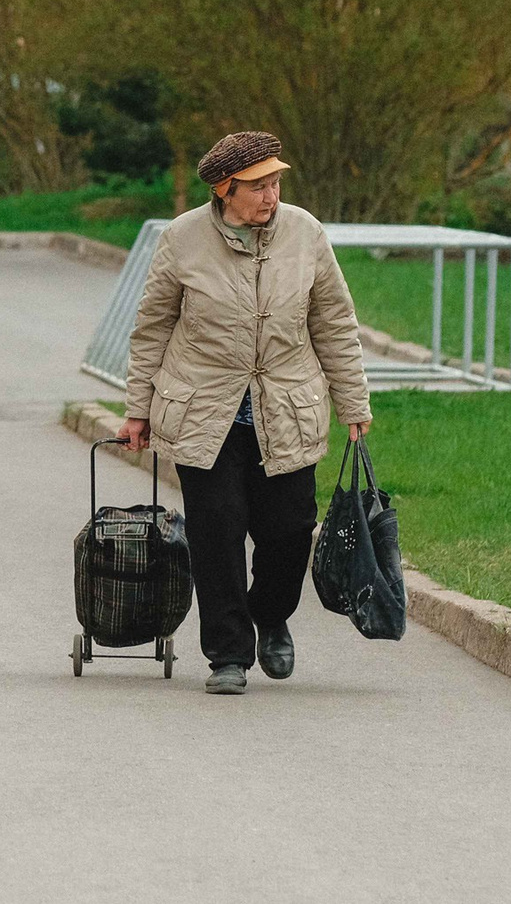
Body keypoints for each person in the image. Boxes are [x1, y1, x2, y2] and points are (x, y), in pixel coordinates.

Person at [119, 130, 371, 695]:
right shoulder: (183, 239)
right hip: (206, 411)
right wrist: (138, 408)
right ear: (226, 189)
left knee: (289, 531)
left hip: (286, 407)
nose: (271, 195)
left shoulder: (305, 233)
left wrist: (353, 400)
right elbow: (154, 325)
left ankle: (271, 614)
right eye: (258, 186)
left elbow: (333, 320)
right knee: (217, 535)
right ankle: (227, 656)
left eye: (276, 182)